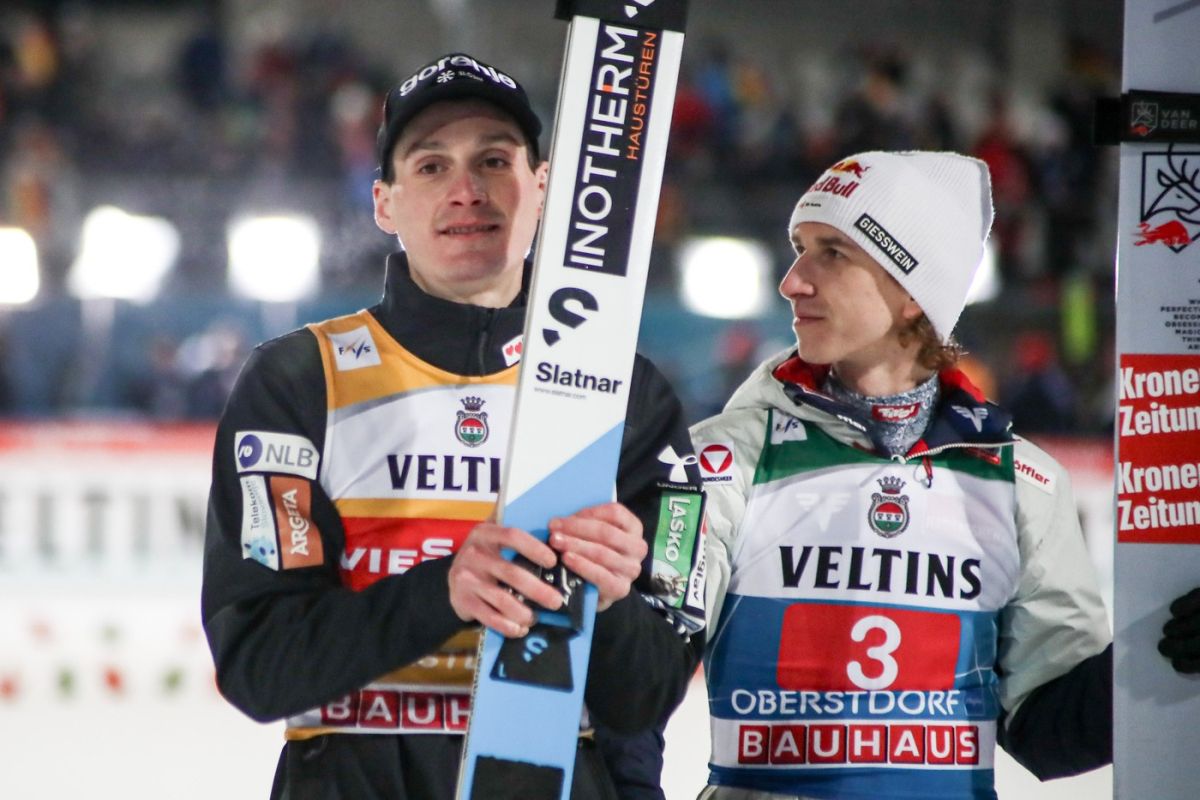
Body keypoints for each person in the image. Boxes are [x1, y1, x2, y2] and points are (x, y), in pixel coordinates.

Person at [201, 52, 705, 800]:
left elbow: (651, 693)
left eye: (494, 160)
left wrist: (614, 601)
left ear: (543, 186)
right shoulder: (298, 380)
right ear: (384, 203)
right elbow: (260, 666)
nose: (467, 191)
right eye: (432, 166)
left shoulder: (627, 394)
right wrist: (445, 591)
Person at [690, 151, 1113, 799]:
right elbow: (640, 673)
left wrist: (1155, 661)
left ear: (915, 292)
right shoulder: (727, 458)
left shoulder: (1021, 480)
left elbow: (1051, 732)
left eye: (832, 253)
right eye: (800, 250)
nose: (792, 281)